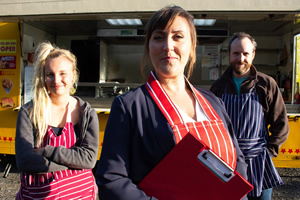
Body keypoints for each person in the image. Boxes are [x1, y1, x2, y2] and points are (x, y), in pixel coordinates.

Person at [96, 5, 248, 200]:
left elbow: (237, 159)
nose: (168, 46)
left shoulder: (213, 102)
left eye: (178, 36)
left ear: (192, 47)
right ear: (148, 46)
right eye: (158, 37)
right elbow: (111, 179)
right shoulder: (130, 106)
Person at [210, 32, 289, 200]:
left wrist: (269, 152)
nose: (241, 58)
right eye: (236, 53)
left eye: (246, 53)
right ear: (228, 55)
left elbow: (280, 125)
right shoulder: (218, 88)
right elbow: (212, 128)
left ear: (253, 55)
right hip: (228, 163)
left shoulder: (266, 85)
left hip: (259, 163)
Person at [15, 42, 99, 199]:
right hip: (38, 195)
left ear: (73, 74)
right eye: (50, 74)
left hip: (80, 195)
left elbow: (89, 159)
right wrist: (75, 164)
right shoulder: (29, 112)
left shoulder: (86, 113)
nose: (56, 80)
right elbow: (25, 161)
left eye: (62, 73)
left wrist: (47, 151)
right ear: (43, 77)